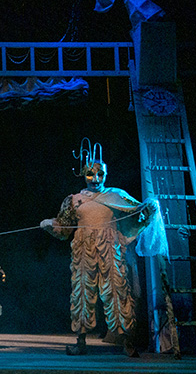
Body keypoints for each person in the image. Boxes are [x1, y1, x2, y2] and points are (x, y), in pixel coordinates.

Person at [41, 153, 164, 357]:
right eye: (90, 174)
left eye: (100, 174)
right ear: (83, 174)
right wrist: (49, 225)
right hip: (84, 251)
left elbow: (138, 212)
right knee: (82, 291)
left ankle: (126, 342)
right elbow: (64, 229)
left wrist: (150, 207)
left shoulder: (116, 195)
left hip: (110, 249)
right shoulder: (74, 200)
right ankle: (80, 341)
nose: (95, 179)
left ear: (106, 174)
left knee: (117, 291)